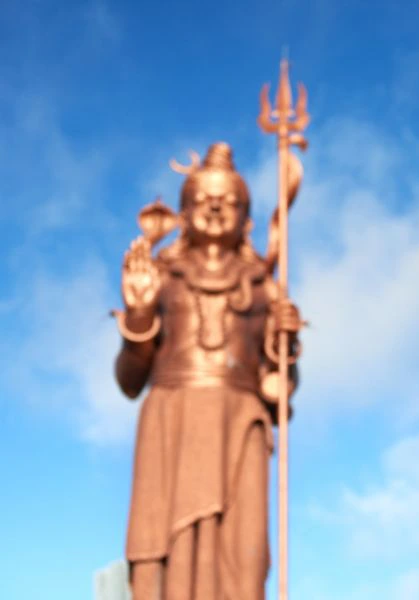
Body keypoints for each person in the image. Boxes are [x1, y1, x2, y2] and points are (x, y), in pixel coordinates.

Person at [114, 142, 300, 600]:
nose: (215, 208)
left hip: (240, 422)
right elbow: (130, 381)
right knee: (167, 549)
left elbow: (278, 391)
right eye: (203, 199)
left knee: (244, 552)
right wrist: (139, 316)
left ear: (247, 220)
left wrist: (286, 348)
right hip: (171, 418)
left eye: (228, 201)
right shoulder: (161, 277)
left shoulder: (266, 288)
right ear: (182, 214)